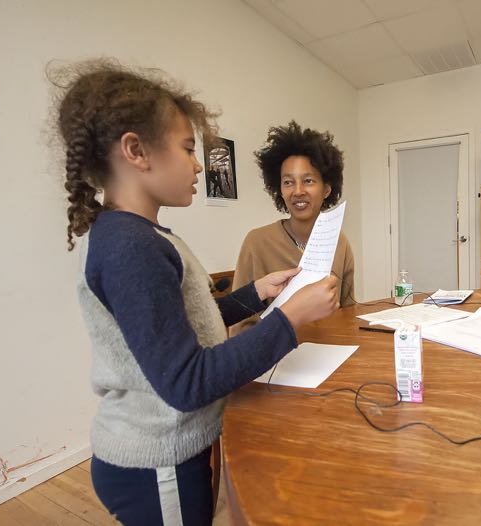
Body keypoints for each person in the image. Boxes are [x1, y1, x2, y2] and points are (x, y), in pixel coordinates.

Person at [53, 60, 339, 525]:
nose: (197, 164)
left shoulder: (144, 236)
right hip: (155, 463)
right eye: (188, 148)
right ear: (137, 151)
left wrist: (256, 294)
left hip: (172, 452)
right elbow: (187, 381)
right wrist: (290, 320)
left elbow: (183, 323)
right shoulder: (131, 247)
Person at [230, 121, 355, 333]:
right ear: (278, 188)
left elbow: (348, 310)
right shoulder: (256, 242)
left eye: (308, 181)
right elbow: (240, 324)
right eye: (288, 182)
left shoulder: (339, 241)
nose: (297, 191)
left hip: (333, 355)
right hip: (276, 360)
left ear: (326, 189)